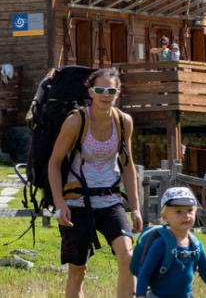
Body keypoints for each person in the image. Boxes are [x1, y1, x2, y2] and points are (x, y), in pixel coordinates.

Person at [48, 68, 143, 298]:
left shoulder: (123, 122)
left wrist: (136, 209)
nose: (105, 95)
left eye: (111, 90)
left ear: (118, 93)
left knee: (128, 256)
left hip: (111, 201)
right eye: (100, 90)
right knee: (78, 271)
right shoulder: (76, 121)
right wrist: (60, 204)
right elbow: (54, 162)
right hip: (77, 202)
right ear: (91, 92)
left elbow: (128, 165)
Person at [135, 187, 206, 298]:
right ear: (165, 217)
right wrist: (140, 295)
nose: (186, 216)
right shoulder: (160, 244)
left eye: (190, 210)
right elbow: (145, 273)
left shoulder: (196, 245)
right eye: (178, 211)